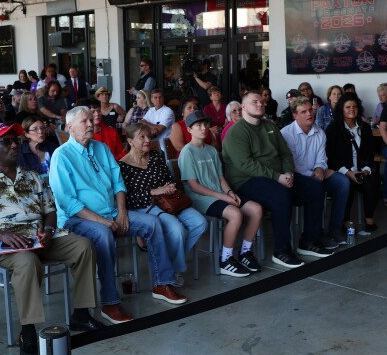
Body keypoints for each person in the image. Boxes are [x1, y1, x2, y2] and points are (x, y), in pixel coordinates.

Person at [0, 122, 99, 355]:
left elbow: (50, 210)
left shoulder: (32, 177)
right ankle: (28, 330)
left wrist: (49, 228)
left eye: (16, 140)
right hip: (3, 244)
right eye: (7, 142)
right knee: (27, 261)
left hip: (39, 238)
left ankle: (82, 314)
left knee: (83, 246)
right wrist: (2, 235)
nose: (14, 145)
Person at [50, 107, 178, 323]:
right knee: (103, 234)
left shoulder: (101, 148)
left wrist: (122, 211)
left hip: (111, 212)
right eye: (84, 121)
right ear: (69, 127)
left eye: (90, 120)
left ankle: (162, 283)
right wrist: (102, 221)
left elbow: (118, 183)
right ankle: (109, 302)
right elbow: (68, 203)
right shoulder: (62, 156)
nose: (90, 124)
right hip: (78, 219)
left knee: (153, 223)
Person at [222, 91, 330, 268]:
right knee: (280, 195)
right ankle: (281, 251)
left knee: (315, 188)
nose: (260, 104)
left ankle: (309, 241)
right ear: (244, 107)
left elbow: (285, 153)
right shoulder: (236, 132)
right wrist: (277, 177)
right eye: (254, 102)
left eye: (261, 102)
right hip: (246, 181)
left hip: (278, 177)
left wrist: (288, 172)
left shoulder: (269, 126)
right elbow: (245, 164)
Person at [118, 123, 207, 297]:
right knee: (177, 229)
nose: (147, 140)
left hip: (169, 201)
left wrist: (170, 187)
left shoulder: (156, 156)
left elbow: (169, 178)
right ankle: (168, 276)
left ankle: (170, 268)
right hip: (145, 206)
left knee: (200, 222)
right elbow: (128, 199)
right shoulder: (122, 166)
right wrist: (153, 192)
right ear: (130, 141)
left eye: (148, 136)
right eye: (141, 137)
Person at [179, 111, 263, 277]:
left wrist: (229, 192)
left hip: (219, 194)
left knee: (256, 209)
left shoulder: (211, 150)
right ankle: (226, 259)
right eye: (198, 125)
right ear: (189, 130)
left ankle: (245, 253)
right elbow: (194, 186)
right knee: (235, 214)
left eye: (205, 124)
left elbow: (220, 178)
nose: (203, 128)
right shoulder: (187, 152)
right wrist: (223, 197)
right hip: (201, 198)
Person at [282, 97, 349, 246]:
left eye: (310, 110)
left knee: (343, 182)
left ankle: (335, 228)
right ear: (295, 115)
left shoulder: (320, 132)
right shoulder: (286, 134)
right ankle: (315, 234)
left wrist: (320, 169)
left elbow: (321, 159)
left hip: (317, 174)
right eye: (303, 112)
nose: (309, 114)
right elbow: (290, 165)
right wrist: (314, 174)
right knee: (315, 186)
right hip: (296, 178)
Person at [325, 93, 380, 234]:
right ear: (341, 109)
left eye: (355, 106)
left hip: (362, 170)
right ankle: (346, 220)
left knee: (373, 182)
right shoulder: (333, 128)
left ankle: (369, 219)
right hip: (342, 170)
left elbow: (370, 152)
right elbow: (331, 156)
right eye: (348, 107)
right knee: (346, 184)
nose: (352, 109)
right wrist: (348, 172)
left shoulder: (365, 128)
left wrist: (366, 170)